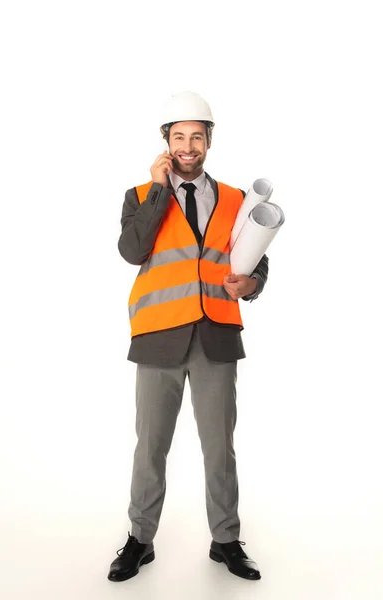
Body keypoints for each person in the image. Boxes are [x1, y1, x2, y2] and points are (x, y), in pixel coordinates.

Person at [108, 91, 269, 582]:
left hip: (216, 336)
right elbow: (132, 251)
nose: (188, 145)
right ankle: (140, 539)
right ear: (166, 142)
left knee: (219, 445)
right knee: (150, 445)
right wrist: (160, 189)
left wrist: (252, 283)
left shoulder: (239, 200)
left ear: (209, 141)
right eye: (179, 136)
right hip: (158, 337)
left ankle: (226, 540)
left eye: (197, 136)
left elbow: (256, 260)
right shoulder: (139, 196)